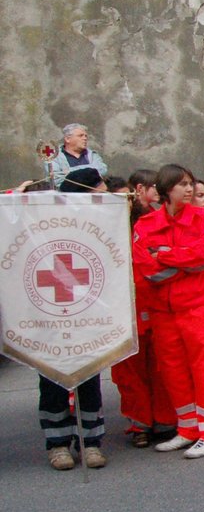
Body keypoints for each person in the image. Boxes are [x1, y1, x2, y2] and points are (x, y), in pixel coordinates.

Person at [133, 164, 204, 458]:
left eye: (190, 183)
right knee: (174, 372)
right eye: (182, 185)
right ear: (165, 191)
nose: (189, 190)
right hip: (164, 313)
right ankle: (188, 429)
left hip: (198, 308)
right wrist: (182, 264)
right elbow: (145, 270)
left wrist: (163, 255)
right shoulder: (145, 225)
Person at [38, 171, 109, 469]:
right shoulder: (46, 225)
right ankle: (57, 444)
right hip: (52, 313)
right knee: (53, 379)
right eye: (100, 191)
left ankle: (90, 441)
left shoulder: (102, 223)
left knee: (89, 378)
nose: (105, 196)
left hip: (88, 313)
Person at [112, 168, 176, 449]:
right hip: (122, 307)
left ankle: (164, 419)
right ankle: (139, 422)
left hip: (154, 301)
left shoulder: (150, 221)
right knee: (130, 370)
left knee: (160, 366)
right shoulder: (105, 229)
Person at [44, 122, 108, 186]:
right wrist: (90, 171)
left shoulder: (93, 155)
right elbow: (56, 179)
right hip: (66, 195)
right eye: (80, 135)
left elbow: (103, 170)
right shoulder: (54, 156)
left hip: (91, 193)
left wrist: (69, 171)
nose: (85, 138)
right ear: (67, 139)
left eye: (86, 136)